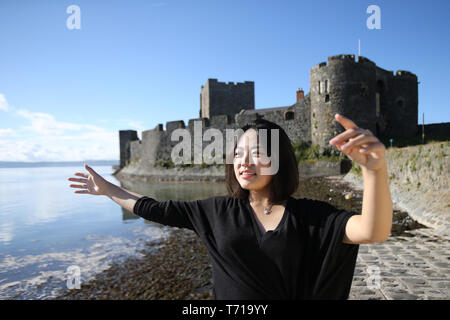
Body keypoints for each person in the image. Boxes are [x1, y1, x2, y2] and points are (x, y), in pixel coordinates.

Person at [68, 114, 392, 300]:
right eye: (238, 153)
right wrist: (108, 188)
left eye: (257, 152)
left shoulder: (310, 216)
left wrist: (374, 171)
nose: (244, 161)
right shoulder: (215, 211)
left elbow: (372, 231)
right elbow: (153, 208)